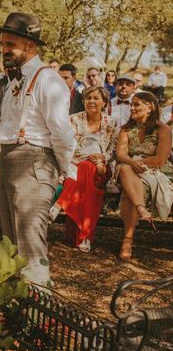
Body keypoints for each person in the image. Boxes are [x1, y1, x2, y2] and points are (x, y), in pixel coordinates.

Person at [0, 12, 75, 285]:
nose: (4, 50)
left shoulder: (48, 80)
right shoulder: (13, 79)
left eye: (11, 45)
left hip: (33, 163)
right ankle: (16, 311)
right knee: (11, 244)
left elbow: (62, 132)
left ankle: (38, 315)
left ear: (31, 46)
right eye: (3, 44)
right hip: (8, 160)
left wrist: (65, 168)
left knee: (30, 244)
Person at [53, 86, 117, 252]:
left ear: (104, 102)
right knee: (89, 183)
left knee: (86, 171)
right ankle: (85, 237)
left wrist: (103, 159)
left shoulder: (111, 122)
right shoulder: (74, 119)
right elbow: (71, 145)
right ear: (83, 101)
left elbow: (113, 149)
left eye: (96, 98)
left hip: (102, 169)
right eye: (88, 98)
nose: (92, 102)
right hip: (77, 164)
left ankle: (60, 204)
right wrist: (93, 161)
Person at [115, 91, 172, 260]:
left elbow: (161, 159)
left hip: (156, 171)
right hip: (131, 170)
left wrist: (139, 163)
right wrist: (133, 163)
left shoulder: (163, 128)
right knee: (124, 168)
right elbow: (121, 154)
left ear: (150, 107)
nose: (131, 108)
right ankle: (141, 209)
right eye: (131, 104)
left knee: (129, 188)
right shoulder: (126, 129)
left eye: (136, 104)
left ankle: (127, 239)